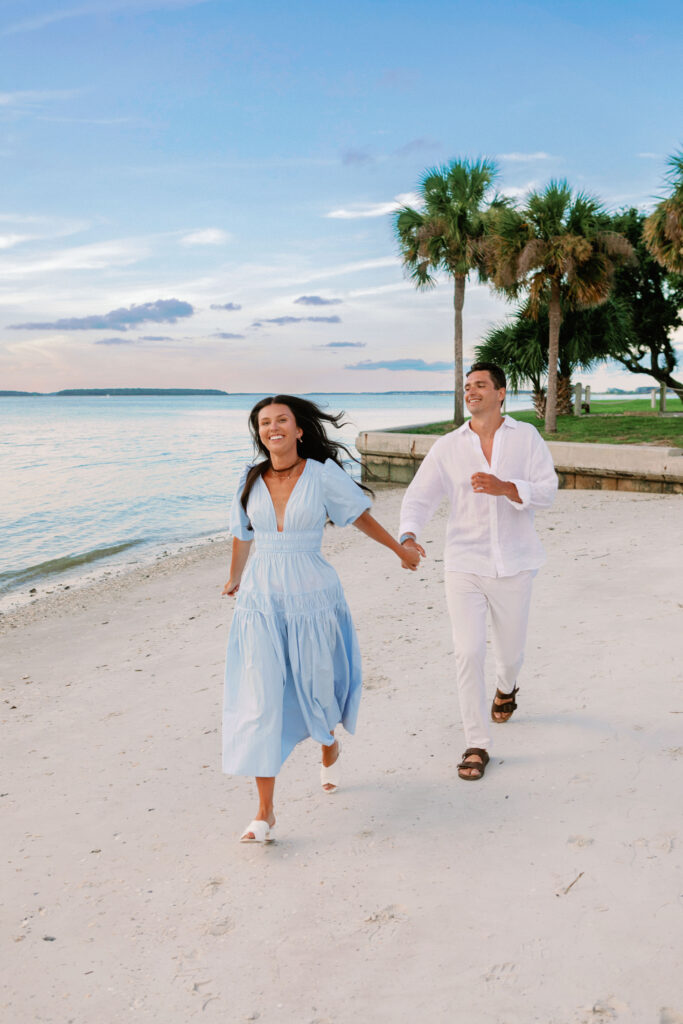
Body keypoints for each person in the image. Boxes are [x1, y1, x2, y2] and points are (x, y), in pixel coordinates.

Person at [222, 394, 421, 841]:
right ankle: (265, 811)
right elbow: (242, 533)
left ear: (299, 430)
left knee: (315, 690)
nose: (272, 427)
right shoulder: (248, 479)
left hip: (312, 598)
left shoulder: (322, 475)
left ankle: (328, 744)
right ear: (260, 432)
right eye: (264, 422)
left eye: (281, 420)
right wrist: (235, 577)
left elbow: (360, 517)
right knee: (261, 700)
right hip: (260, 602)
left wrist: (400, 550)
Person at [399, 362, 558, 781]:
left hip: (516, 562)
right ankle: (476, 744)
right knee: (468, 651)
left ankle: (506, 689)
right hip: (464, 562)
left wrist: (507, 488)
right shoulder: (448, 446)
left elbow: (548, 490)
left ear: (501, 392)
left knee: (510, 655)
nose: (471, 391)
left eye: (480, 385)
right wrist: (409, 535)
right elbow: (419, 496)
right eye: (467, 386)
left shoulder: (526, 437)